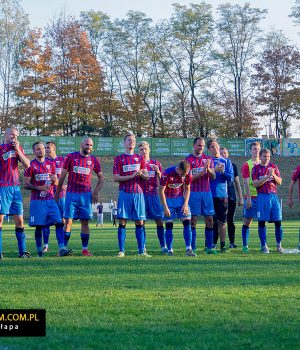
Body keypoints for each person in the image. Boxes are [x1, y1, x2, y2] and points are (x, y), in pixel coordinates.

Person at [54, 138, 104, 256]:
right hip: (71, 194)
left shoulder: (93, 160)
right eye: (87, 144)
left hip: (86, 195)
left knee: (85, 223)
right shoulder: (71, 157)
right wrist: (57, 192)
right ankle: (63, 249)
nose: (89, 146)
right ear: (81, 144)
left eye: (91, 145)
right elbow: (62, 176)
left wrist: (96, 192)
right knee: (68, 222)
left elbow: (101, 178)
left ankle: (85, 249)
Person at [24, 141, 71, 257]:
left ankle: (62, 248)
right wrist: (39, 187)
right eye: (38, 149)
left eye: (42, 148)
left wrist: (55, 180)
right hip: (37, 200)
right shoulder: (31, 165)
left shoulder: (51, 164)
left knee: (59, 222)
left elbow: (55, 182)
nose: (41, 151)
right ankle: (40, 251)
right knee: (39, 226)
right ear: (34, 151)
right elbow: (26, 184)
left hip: (50, 199)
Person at [113, 133, 149, 257]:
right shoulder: (119, 159)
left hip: (138, 193)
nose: (131, 142)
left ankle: (141, 251)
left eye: (133, 140)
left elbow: (147, 176)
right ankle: (122, 251)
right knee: (123, 221)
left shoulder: (140, 158)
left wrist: (141, 174)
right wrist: (132, 176)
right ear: (124, 143)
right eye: (129, 140)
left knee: (140, 222)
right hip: (125, 192)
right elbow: (115, 178)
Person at [0, 127, 31, 259]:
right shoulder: (1, 149)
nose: (14, 137)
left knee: (19, 221)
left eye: (16, 135)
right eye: (12, 135)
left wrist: (18, 149)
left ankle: (22, 252)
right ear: (5, 135)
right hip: (2, 187)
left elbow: (28, 165)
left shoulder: (17, 149)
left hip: (15, 189)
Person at [185, 137, 218, 254]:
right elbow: (189, 179)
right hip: (193, 193)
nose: (201, 148)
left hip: (206, 193)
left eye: (203, 146)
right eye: (199, 145)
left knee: (209, 220)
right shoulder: (188, 160)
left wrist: (208, 169)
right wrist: (202, 171)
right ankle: (192, 247)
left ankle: (209, 247)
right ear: (194, 146)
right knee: (193, 220)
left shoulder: (208, 159)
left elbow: (213, 176)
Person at [159, 160, 195, 256]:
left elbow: (187, 189)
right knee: (169, 225)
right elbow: (161, 191)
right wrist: (165, 207)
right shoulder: (166, 173)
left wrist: (186, 204)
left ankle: (189, 249)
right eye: (182, 174)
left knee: (187, 223)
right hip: (168, 201)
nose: (183, 176)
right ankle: (170, 250)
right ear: (178, 169)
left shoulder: (188, 174)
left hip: (180, 200)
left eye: (185, 174)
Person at [252, 148, 284, 253]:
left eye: (268, 156)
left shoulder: (274, 167)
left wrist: (273, 175)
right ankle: (264, 245)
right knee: (261, 222)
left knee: (278, 222)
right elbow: (256, 183)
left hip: (273, 196)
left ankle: (279, 245)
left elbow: (280, 182)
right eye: (264, 156)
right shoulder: (256, 168)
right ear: (260, 157)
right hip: (262, 196)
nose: (267, 158)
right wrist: (267, 177)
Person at [138, 141, 166, 253]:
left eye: (145, 149)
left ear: (149, 149)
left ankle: (163, 246)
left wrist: (158, 172)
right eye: (141, 149)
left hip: (154, 195)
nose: (144, 151)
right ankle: (143, 247)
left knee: (159, 220)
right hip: (141, 196)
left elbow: (163, 181)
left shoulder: (156, 163)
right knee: (141, 222)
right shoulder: (137, 164)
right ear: (138, 151)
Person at [208, 139, 234, 252]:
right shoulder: (207, 161)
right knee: (210, 220)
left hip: (222, 194)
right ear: (209, 149)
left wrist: (222, 172)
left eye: (216, 146)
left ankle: (223, 246)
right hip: (209, 194)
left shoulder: (226, 161)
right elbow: (204, 174)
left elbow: (231, 178)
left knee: (222, 221)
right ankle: (211, 245)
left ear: (219, 147)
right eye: (212, 147)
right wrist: (214, 169)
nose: (215, 149)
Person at [41, 141, 67, 252]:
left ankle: (62, 246)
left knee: (60, 221)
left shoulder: (62, 160)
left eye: (48, 147)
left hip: (61, 195)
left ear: (54, 148)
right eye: (45, 148)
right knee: (46, 221)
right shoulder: (44, 161)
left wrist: (67, 185)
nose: (46, 150)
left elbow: (72, 175)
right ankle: (45, 245)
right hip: (48, 195)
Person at [220, 147, 243, 248]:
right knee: (218, 220)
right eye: (221, 153)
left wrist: (241, 197)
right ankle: (214, 243)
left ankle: (232, 242)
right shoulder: (215, 165)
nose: (223, 155)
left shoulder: (232, 166)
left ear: (228, 154)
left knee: (230, 220)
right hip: (219, 197)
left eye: (224, 153)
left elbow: (237, 182)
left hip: (231, 196)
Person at [240, 141, 260, 253]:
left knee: (262, 221)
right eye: (254, 149)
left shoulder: (265, 163)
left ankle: (263, 245)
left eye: (257, 149)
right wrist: (248, 198)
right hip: (251, 196)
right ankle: (245, 246)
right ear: (250, 151)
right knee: (247, 221)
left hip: (262, 196)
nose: (256, 151)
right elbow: (246, 183)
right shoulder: (247, 164)